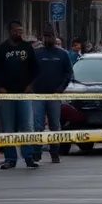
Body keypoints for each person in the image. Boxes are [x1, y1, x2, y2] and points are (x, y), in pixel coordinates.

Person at [0, 20, 40, 170]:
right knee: (8, 127)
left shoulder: (27, 47)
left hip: (24, 93)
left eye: (20, 30)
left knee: (26, 126)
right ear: (9, 32)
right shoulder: (1, 49)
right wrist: (0, 87)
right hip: (7, 95)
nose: (19, 33)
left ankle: (29, 157)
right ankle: (10, 158)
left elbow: (35, 69)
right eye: (16, 30)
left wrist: (30, 86)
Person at [31, 26, 73, 164]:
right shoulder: (36, 53)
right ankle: (37, 152)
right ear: (43, 38)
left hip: (55, 95)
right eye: (46, 35)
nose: (49, 38)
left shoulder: (62, 54)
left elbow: (68, 73)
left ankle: (55, 152)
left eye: (51, 35)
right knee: (38, 125)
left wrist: (61, 88)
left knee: (55, 124)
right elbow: (28, 72)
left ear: (55, 37)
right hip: (38, 95)